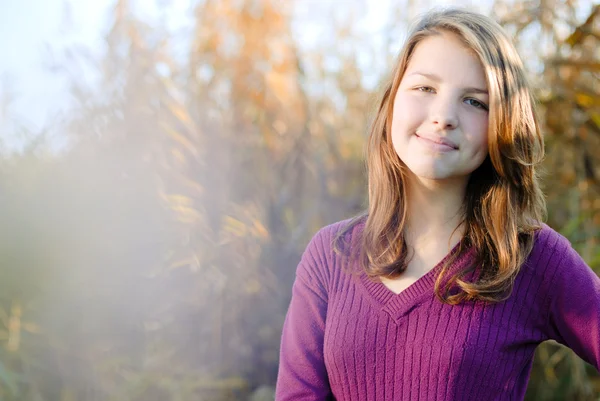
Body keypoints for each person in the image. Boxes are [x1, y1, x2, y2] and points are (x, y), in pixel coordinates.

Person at [274, 7, 600, 401]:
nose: (444, 116)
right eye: (425, 88)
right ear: (393, 100)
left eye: (474, 102)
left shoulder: (531, 257)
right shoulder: (329, 255)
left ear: (503, 123)